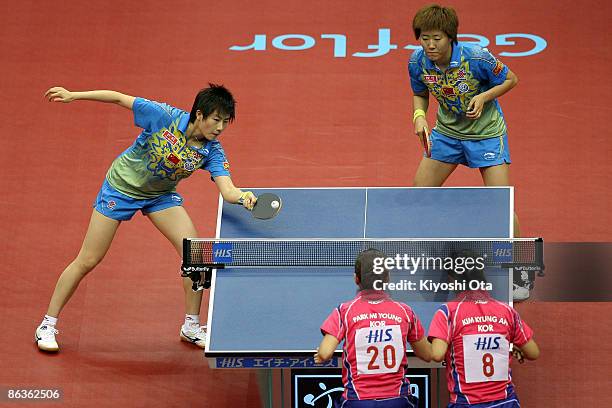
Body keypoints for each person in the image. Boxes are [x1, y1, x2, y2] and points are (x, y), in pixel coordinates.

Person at [35, 84, 257, 352]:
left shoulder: (212, 151)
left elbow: (228, 189)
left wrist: (243, 197)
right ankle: (47, 324)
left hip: (160, 196)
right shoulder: (164, 116)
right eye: (216, 119)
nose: (220, 127)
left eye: (225, 122)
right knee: (88, 259)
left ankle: (191, 325)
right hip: (120, 188)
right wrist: (74, 95)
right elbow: (118, 98)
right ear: (199, 114)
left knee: (195, 256)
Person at [408, 4, 530, 300]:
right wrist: (419, 117)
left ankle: (521, 265)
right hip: (448, 135)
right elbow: (419, 93)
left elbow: (511, 79)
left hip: (487, 135)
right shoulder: (417, 62)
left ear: (451, 37)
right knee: (418, 193)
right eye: (425, 38)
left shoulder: (476, 57)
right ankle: (437, 258)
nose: (430, 44)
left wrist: (484, 96)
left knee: (500, 204)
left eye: (436, 38)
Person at [314, 249, 431, 407]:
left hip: (358, 401)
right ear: (387, 278)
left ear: (356, 279)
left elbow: (325, 353)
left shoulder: (344, 311)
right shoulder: (405, 311)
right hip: (397, 401)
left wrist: (321, 356)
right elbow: (427, 354)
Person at [428, 249, 540, 407]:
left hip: (467, 404)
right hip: (506, 402)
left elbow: (437, 354)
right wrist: (510, 344)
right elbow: (533, 353)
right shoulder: (506, 311)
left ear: (452, 280)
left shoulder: (448, 312)